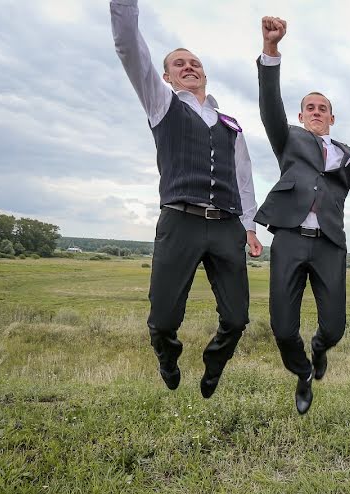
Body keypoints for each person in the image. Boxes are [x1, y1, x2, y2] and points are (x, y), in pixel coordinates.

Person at [110, 0, 262, 399]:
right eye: (179, 63)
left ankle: (214, 364)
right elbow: (128, 44)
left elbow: (244, 178)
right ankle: (168, 357)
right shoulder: (162, 104)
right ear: (165, 76)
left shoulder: (231, 124)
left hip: (228, 224)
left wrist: (249, 226)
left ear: (205, 73)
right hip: (180, 220)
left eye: (194, 62)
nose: (188, 66)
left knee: (237, 318)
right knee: (162, 319)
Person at [256, 17, 350, 415]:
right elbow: (269, 105)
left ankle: (319, 348)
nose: (316, 112)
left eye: (323, 108)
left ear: (332, 117)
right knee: (282, 327)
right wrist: (271, 51)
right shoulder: (288, 139)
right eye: (309, 107)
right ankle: (302, 373)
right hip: (290, 239)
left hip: (330, 246)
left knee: (334, 328)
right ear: (301, 117)